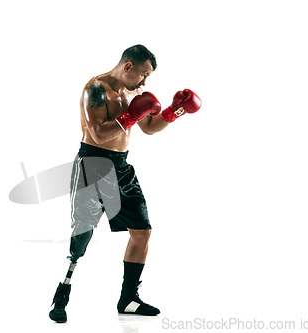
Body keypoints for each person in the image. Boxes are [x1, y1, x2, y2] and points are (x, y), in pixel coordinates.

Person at [49, 44, 202, 323]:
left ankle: (128, 299)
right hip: (93, 164)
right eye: (143, 74)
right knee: (82, 234)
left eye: (149, 77)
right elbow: (98, 134)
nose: (145, 82)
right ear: (128, 66)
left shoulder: (134, 92)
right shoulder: (96, 89)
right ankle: (63, 290)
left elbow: (149, 127)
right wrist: (132, 114)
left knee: (142, 232)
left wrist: (175, 111)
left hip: (121, 166)